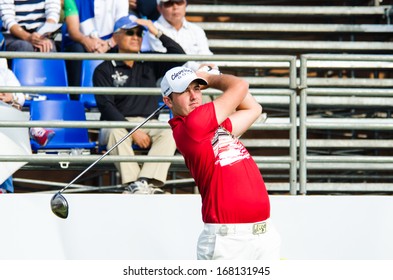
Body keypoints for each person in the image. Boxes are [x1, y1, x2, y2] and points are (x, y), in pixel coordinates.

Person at [161, 66, 281, 260]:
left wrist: (209, 77)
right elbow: (240, 86)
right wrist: (210, 78)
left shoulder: (213, 128)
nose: (194, 96)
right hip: (228, 242)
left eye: (197, 88)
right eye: (184, 91)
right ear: (168, 101)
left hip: (263, 235)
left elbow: (254, 108)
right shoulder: (194, 125)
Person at [93, 15, 185, 194]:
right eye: (130, 32)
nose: (136, 37)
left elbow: (180, 58)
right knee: (115, 132)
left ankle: (144, 182)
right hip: (117, 123)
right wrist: (134, 130)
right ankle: (134, 184)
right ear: (116, 37)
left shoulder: (149, 61)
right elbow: (106, 107)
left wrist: (156, 32)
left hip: (148, 122)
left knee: (170, 131)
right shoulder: (103, 69)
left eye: (139, 33)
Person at [62, 0, 128, 88]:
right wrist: (86, 41)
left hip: (110, 43)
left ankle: (121, 96)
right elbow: (73, 30)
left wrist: (108, 44)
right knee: (76, 50)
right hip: (82, 42)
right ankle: (76, 97)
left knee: (124, 46)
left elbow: (122, 28)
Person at [0, 58, 55, 147]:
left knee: (12, 105)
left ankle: (31, 128)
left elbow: (20, 96)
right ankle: (31, 128)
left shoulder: (5, 71)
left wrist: (12, 96)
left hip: (5, 108)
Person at [146, 0, 213, 72]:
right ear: (159, 8)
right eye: (169, 3)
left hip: (201, 74)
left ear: (185, 4)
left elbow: (206, 56)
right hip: (167, 77)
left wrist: (209, 69)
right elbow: (168, 61)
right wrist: (199, 67)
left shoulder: (197, 30)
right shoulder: (153, 30)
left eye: (179, 2)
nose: (175, 6)